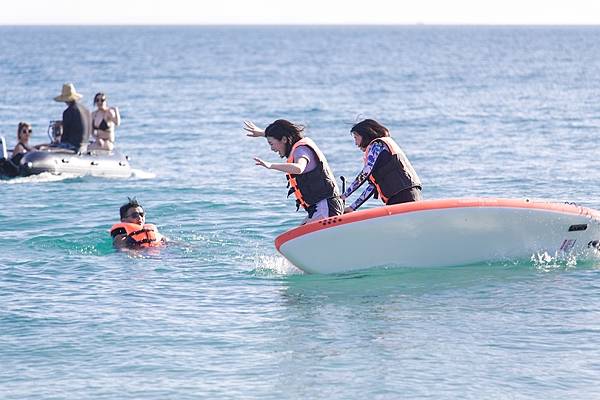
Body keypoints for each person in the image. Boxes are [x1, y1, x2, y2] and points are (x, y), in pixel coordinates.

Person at [245, 119, 343, 224]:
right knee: (294, 237)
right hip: (321, 206)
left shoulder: (300, 150)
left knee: (302, 239)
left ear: (284, 140)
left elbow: (299, 168)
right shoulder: (295, 145)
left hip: (325, 206)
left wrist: (271, 165)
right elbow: (279, 136)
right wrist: (261, 133)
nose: (272, 149)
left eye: (271, 144)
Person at [341, 119, 422, 213]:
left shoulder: (377, 145)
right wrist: (352, 207)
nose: (356, 143)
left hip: (402, 196)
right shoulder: (383, 148)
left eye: (356, 137)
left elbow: (365, 173)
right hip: (410, 194)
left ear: (365, 135)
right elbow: (372, 186)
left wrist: (344, 196)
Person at [53, 83, 91, 152]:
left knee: (43, 147)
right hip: (85, 146)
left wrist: (58, 141)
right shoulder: (86, 110)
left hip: (73, 146)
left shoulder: (68, 112)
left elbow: (65, 135)